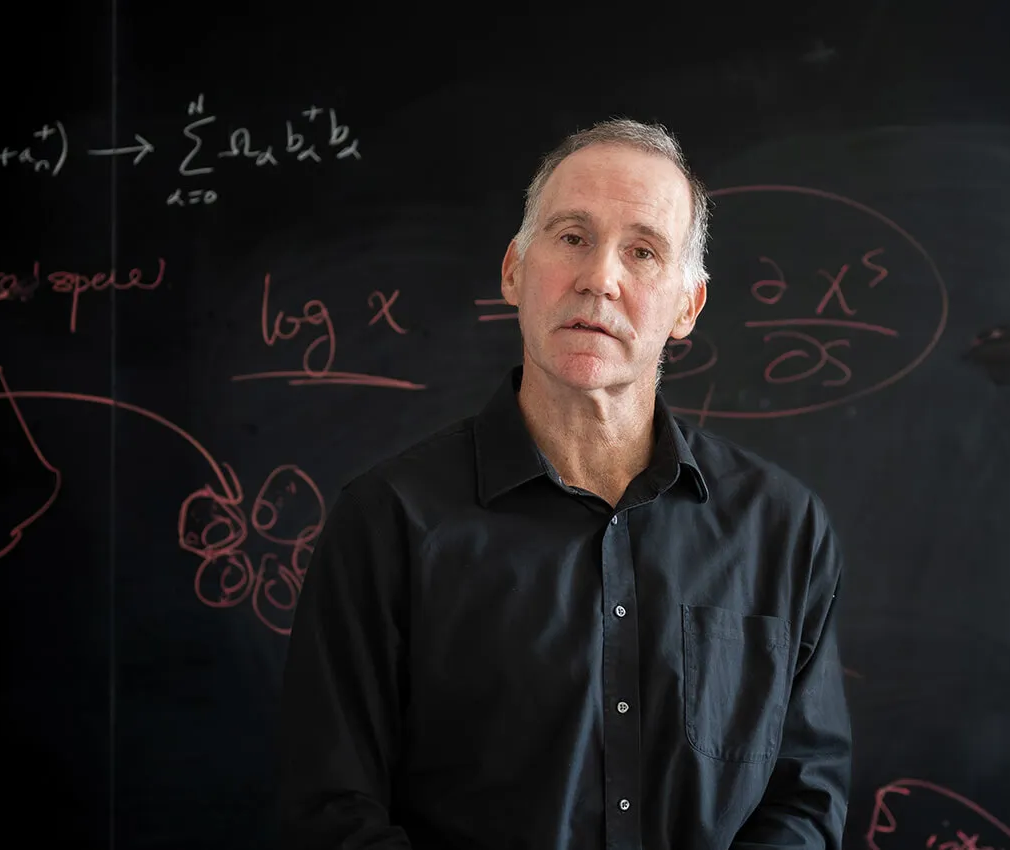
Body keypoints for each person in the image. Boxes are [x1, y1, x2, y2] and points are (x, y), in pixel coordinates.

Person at [277, 118, 853, 849]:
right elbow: (331, 812)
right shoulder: (388, 523)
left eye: (642, 251)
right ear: (514, 268)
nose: (599, 278)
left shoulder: (783, 531)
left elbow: (803, 804)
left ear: (686, 306)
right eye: (573, 236)